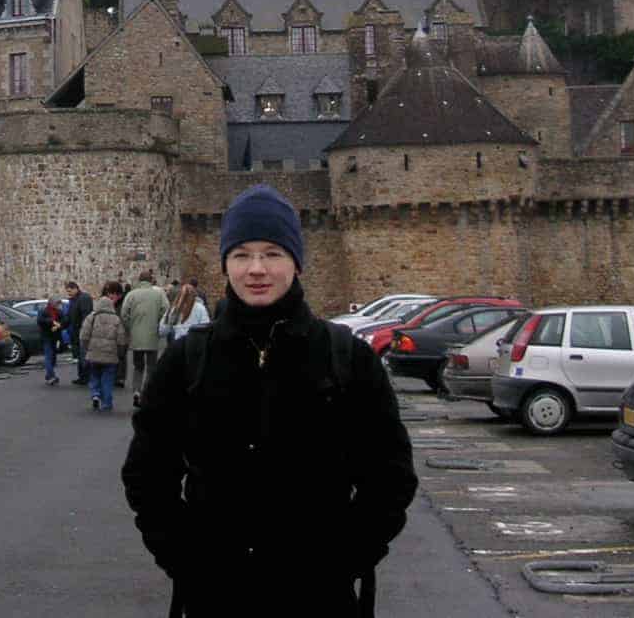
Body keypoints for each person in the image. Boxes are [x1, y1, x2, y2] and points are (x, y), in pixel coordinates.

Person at [121, 184, 417, 617]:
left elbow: (390, 477)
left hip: (320, 598)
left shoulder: (346, 356)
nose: (256, 269)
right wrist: (187, 561)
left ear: (296, 262)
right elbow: (147, 475)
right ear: (225, 263)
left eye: (272, 253)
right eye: (241, 255)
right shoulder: (188, 359)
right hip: (214, 597)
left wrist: (343, 561)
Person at [120, 269, 168, 408]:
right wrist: (159, 323)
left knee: (138, 366)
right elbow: (166, 310)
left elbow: (124, 313)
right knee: (151, 366)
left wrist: (131, 327)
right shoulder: (159, 294)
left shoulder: (131, 294)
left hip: (136, 336)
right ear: (151, 280)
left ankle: (136, 390)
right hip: (153, 335)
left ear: (140, 280)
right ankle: (146, 392)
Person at [80, 281, 129, 411]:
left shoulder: (92, 317)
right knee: (107, 380)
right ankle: (107, 403)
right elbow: (121, 339)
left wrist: (86, 348)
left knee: (94, 375)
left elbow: (84, 335)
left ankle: (95, 394)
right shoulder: (116, 319)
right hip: (110, 355)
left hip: (94, 353)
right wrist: (120, 353)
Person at [66, 280, 95, 385]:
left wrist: (84, 331)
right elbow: (69, 316)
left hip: (82, 331)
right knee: (79, 355)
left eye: (70, 291)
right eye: (67, 292)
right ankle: (82, 377)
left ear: (75, 289)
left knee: (84, 356)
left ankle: (87, 377)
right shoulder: (73, 300)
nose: (68, 294)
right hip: (75, 331)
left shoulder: (84, 298)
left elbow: (86, 316)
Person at [36, 296, 65, 385]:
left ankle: (49, 376)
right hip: (46, 336)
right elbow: (40, 320)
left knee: (53, 357)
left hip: (55, 337)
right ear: (52, 303)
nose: (59, 305)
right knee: (48, 356)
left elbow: (64, 320)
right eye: (57, 303)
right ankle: (51, 376)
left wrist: (58, 326)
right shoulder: (43, 310)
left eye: (59, 304)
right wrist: (52, 322)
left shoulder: (59, 311)